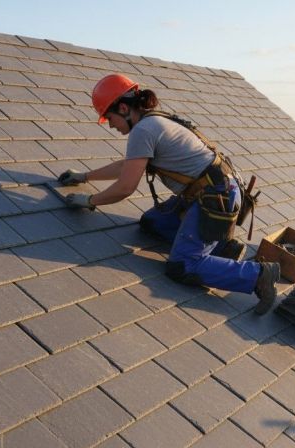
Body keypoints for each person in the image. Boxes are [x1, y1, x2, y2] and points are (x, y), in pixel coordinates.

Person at [59, 73, 280, 315]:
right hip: (217, 192)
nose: (111, 125)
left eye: (109, 118)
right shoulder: (153, 122)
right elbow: (127, 166)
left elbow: (125, 187)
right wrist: (85, 176)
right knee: (152, 222)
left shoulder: (143, 130)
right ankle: (220, 249)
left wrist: (90, 201)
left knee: (182, 266)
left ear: (123, 108)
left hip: (214, 198)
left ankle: (259, 275)